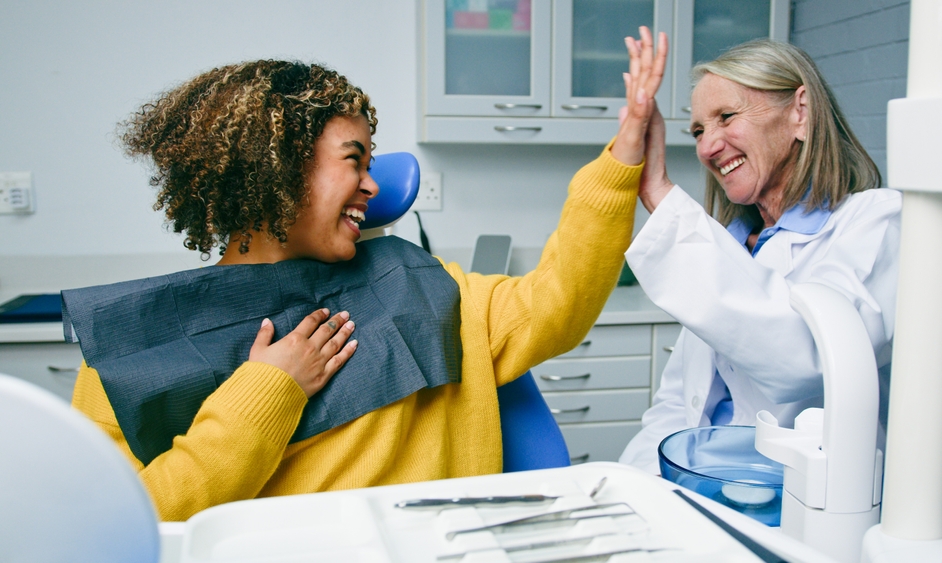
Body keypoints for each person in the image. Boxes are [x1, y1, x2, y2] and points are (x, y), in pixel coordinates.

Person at [67, 30, 669, 520]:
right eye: (354, 160)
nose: (373, 185)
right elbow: (125, 523)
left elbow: (555, 305)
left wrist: (621, 159)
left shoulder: (425, 284)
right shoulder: (132, 351)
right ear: (275, 171)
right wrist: (266, 393)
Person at [618, 40, 901, 474]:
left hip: (794, 503)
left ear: (800, 113)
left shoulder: (874, 222)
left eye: (726, 117)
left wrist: (659, 193)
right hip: (695, 485)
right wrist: (635, 485)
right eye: (697, 131)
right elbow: (677, 405)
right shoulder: (731, 247)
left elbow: (808, 354)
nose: (708, 147)